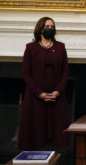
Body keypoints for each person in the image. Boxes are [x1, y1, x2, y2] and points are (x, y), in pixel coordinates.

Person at [18, 17, 70, 151]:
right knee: (35, 133)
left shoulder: (60, 47)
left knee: (57, 133)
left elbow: (65, 71)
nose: (50, 29)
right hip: (35, 98)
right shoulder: (31, 48)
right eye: (47, 26)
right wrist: (39, 93)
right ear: (40, 28)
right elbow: (26, 73)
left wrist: (58, 91)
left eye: (52, 27)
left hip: (56, 98)